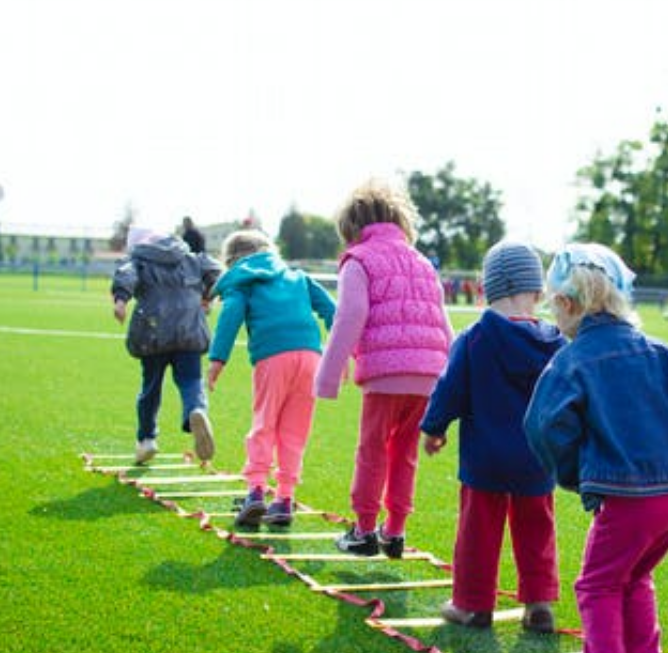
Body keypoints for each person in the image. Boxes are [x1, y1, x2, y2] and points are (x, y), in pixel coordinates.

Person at [524, 242, 668, 653]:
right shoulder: (662, 351)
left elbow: (543, 425)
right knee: (634, 577)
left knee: (597, 584)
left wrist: (578, 474)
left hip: (631, 498)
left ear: (565, 303)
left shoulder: (572, 359)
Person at [420, 241, 566, 633]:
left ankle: (472, 605)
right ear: (537, 292)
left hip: (484, 457)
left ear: (486, 289)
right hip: (537, 457)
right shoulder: (556, 342)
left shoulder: (474, 337)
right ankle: (539, 604)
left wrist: (434, 428)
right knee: (537, 529)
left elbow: (450, 388)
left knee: (478, 532)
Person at [314, 178, 453, 558]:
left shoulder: (358, 260)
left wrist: (328, 375)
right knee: (404, 453)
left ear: (352, 228)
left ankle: (362, 531)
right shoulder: (423, 262)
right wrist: (452, 380)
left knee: (372, 450)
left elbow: (350, 316)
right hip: (428, 374)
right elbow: (443, 323)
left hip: (385, 374)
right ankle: (394, 531)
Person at [207, 230, 336, 528]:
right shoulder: (298, 277)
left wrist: (217, 360)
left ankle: (255, 493)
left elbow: (231, 315)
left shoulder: (242, 281)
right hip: (310, 357)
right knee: (295, 431)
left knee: (264, 423)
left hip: (272, 357)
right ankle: (284, 500)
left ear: (232, 261)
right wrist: (342, 352)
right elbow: (333, 311)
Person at [111, 227, 222, 465]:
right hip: (190, 330)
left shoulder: (139, 260)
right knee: (191, 380)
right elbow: (215, 271)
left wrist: (120, 301)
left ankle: (147, 439)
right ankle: (196, 409)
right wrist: (208, 296)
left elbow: (126, 274)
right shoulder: (189, 257)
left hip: (153, 333)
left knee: (151, 387)